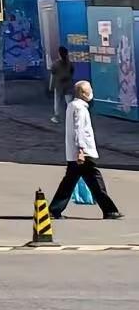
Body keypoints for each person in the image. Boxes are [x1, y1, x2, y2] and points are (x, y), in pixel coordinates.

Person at [49, 81, 123, 220]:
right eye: (89, 90)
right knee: (94, 180)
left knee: (72, 182)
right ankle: (110, 211)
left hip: (76, 152)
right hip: (83, 153)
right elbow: (79, 131)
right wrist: (81, 150)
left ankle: (54, 210)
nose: (91, 93)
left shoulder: (72, 106)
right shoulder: (80, 108)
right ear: (82, 93)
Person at [49, 46, 75, 123]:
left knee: (57, 101)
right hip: (68, 85)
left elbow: (52, 76)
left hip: (58, 85)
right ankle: (72, 118)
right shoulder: (70, 64)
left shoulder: (55, 64)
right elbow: (71, 73)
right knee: (69, 102)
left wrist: (51, 87)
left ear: (59, 54)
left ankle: (56, 117)